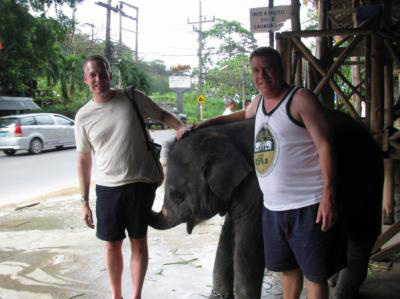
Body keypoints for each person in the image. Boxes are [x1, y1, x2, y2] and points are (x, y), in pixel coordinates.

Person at [181, 47, 341, 299]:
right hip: (273, 208)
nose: (261, 76)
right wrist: (206, 123)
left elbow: (325, 145)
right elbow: (243, 115)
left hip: (307, 205)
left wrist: (328, 196)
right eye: (256, 70)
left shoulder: (300, 99)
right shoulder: (258, 103)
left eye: (267, 68)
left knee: (314, 275)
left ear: (280, 69)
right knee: (287, 270)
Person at [75, 54, 187, 299]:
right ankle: (117, 296)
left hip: (140, 184)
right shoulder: (83, 116)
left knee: (138, 241)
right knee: (111, 244)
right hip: (107, 188)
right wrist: (84, 201)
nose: (98, 78)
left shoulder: (132, 97)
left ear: (110, 74)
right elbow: (84, 159)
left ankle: (135, 295)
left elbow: (163, 116)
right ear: (85, 79)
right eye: (92, 74)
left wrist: (182, 128)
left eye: (102, 72)